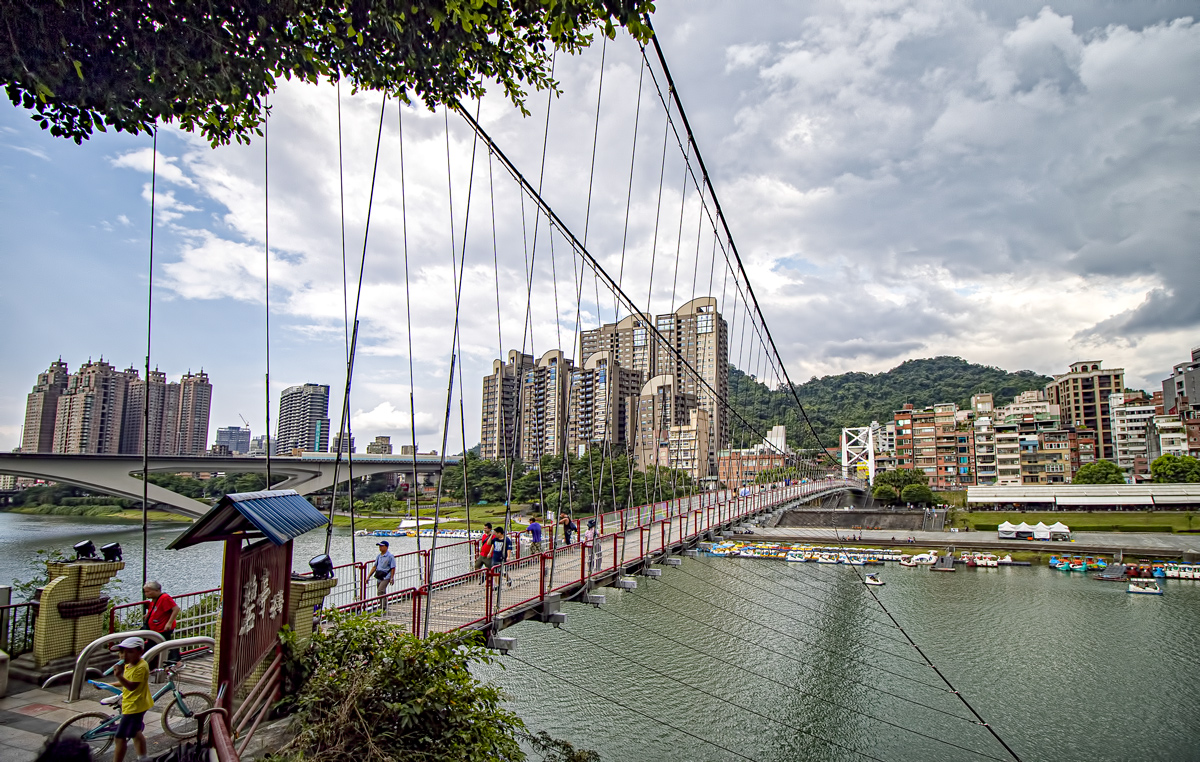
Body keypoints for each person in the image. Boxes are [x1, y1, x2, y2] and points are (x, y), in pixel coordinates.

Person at [111, 636, 153, 762]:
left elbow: (131, 686)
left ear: (140, 651)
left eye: (129, 652)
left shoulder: (141, 666)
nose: (124, 655)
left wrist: (118, 676)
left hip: (135, 706)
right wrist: (108, 685)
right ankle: (143, 758)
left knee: (119, 737)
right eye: (122, 652)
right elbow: (126, 682)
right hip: (131, 703)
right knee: (135, 731)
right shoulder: (128, 665)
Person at [142, 580, 178, 665]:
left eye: (148, 591)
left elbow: (175, 609)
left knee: (160, 644)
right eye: (145, 592)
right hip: (155, 628)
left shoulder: (164, 598)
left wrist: (169, 623)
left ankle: (173, 660)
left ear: (156, 591)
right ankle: (171, 660)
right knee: (163, 643)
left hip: (162, 628)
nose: (146, 594)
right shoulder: (154, 600)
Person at [374, 541, 396, 611]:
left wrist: (392, 578)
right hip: (379, 576)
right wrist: (368, 576)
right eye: (379, 546)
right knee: (380, 591)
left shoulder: (390, 556)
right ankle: (383, 605)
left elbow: (393, 567)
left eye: (382, 546)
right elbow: (374, 566)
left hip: (386, 576)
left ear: (386, 547)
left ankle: (382, 607)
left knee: (380, 590)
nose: (380, 548)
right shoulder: (379, 556)